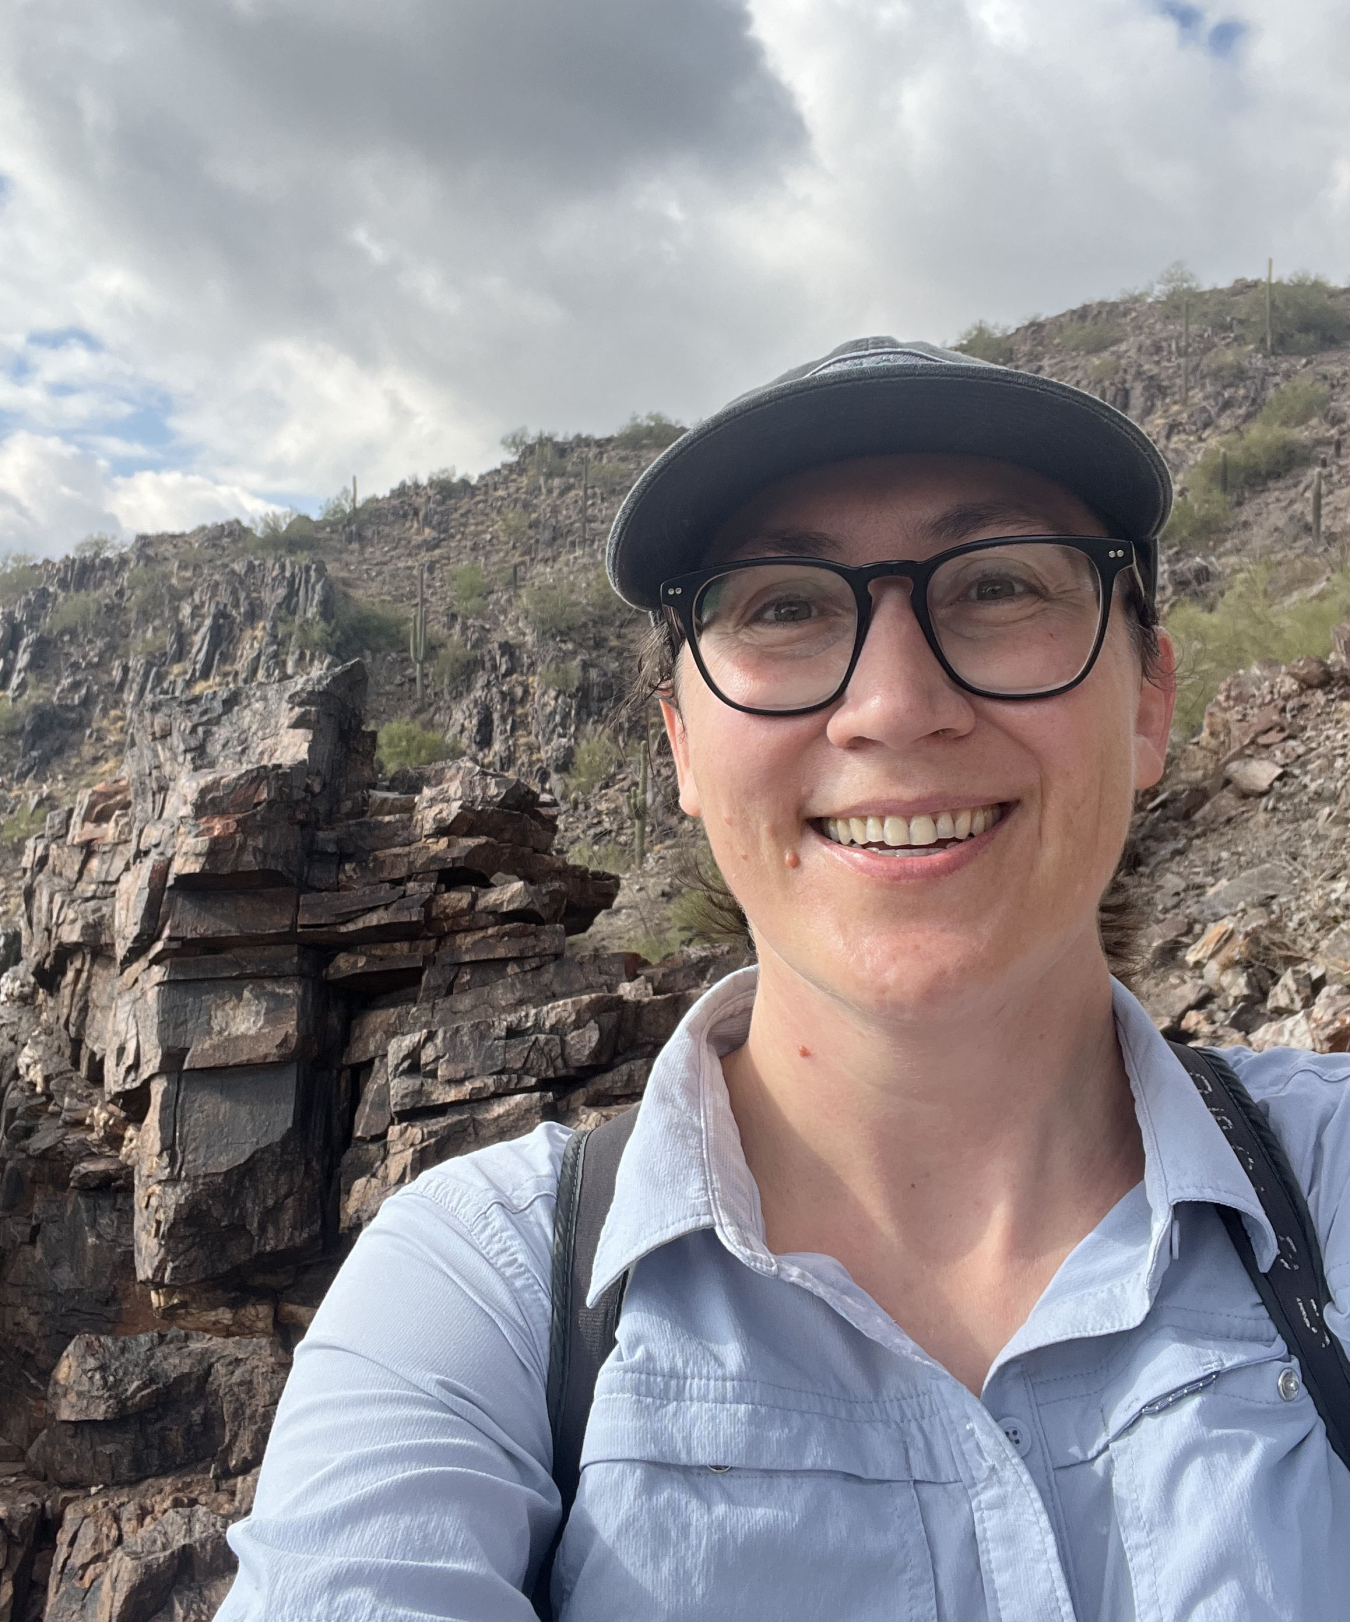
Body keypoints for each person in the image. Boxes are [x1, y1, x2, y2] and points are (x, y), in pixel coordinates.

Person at [220, 338, 1350, 1621]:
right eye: (785, 605)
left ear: (1149, 700)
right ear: (683, 745)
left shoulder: (1331, 1182)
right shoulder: (484, 1292)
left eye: (996, 586)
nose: (893, 703)